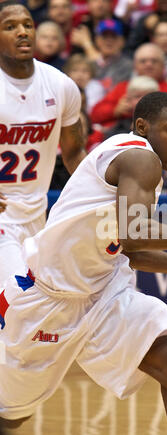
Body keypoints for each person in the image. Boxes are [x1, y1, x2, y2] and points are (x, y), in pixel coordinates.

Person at [0, 91, 167, 435]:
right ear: (143, 127)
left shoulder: (144, 170)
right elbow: (133, 233)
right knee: (12, 414)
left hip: (103, 292)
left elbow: (128, 251)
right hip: (47, 297)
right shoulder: (140, 157)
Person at [0, 1, 86, 287]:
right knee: (17, 295)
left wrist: (99, 190)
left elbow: (74, 152)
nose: (22, 32)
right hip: (2, 217)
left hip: (37, 216)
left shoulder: (60, 85)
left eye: (27, 25)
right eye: (10, 27)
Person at [90, 42, 167, 130]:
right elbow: (94, 114)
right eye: (143, 61)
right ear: (135, 65)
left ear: (163, 66)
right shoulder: (122, 88)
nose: (148, 64)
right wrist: (115, 111)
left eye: (154, 61)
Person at [70, 18, 133, 97]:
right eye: (105, 36)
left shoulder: (128, 66)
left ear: (122, 41)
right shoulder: (88, 63)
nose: (109, 41)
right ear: (97, 40)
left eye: (114, 36)